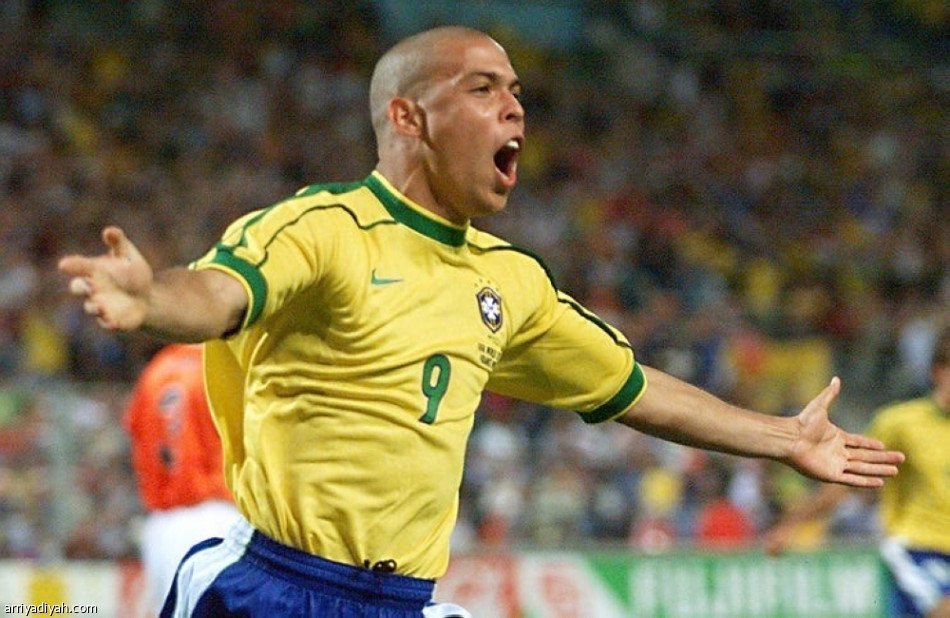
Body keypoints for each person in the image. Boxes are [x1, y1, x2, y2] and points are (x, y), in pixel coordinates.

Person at [59, 25, 904, 618]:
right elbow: (219, 294)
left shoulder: (510, 282)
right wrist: (150, 299)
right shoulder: (324, 229)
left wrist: (782, 438)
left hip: (404, 601)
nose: (515, 108)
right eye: (483, 88)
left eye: (517, 92)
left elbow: (631, 388)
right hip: (273, 589)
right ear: (408, 117)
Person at [765, 326, 949, 618]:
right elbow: (845, 477)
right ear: (938, 372)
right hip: (917, 549)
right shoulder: (901, 423)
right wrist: (791, 525)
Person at [123, 343, 241, 616]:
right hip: (219, 514)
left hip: (163, 523)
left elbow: (137, 439)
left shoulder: (154, 373)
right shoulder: (222, 366)